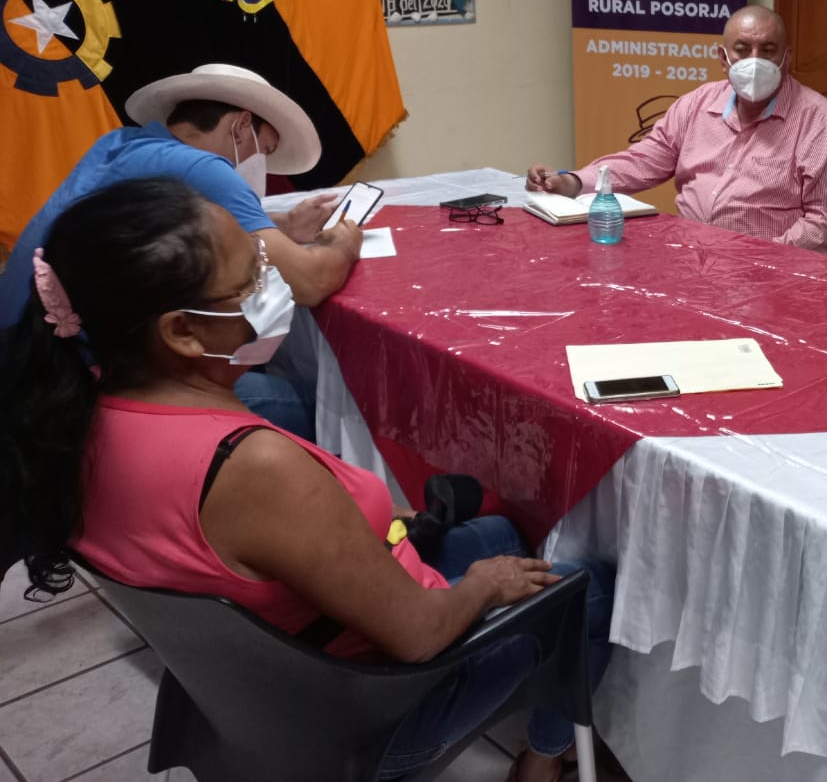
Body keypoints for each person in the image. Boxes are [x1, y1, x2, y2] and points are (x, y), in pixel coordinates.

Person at [0, 179, 618, 782]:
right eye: (251, 279)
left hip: (252, 684)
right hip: (366, 710)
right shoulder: (253, 466)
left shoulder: (72, 415)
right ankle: (543, 761)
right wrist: (482, 587)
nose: (274, 284)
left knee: (502, 535)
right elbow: (419, 636)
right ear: (181, 331)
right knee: (589, 583)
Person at [0, 64, 363, 439]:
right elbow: (308, 282)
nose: (262, 166)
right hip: (70, 395)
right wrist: (345, 242)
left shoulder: (122, 145)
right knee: (318, 409)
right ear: (241, 126)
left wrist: (282, 226)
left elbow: (179, 229)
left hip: (24, 369)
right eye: (264, 151)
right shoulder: (203, 168)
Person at [526, 5, 827, 254]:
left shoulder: (819, 122)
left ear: (787, 58)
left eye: (768, 51)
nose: (755, 61)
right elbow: (644, 160)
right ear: (723, 58)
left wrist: (762, 257)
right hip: (687, 257)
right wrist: (572, 182)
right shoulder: (698, 104)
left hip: (768, 274)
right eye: (742, 50)